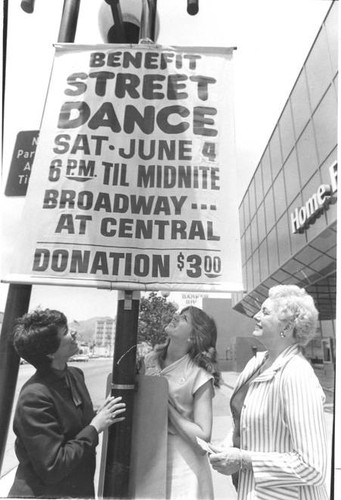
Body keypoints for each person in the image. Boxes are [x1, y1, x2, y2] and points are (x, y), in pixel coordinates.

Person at [209, 285, 329, 500]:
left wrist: (244, 460)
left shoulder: (297, 374)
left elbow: (312, 467)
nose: (256, 316)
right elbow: (244, 419)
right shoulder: (256, 363)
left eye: (265, 312)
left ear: (288, 325)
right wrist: (228, 446)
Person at [8, 308, 126, 499]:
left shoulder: (75, 375)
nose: (73, 333)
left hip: (78, 490)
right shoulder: (34, 397)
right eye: (64, 332)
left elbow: (73, 423)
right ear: (49, 353)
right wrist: (95, 427)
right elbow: (53, 466)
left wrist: (98, 414)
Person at [142, 306, 221, 500]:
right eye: (178, 314)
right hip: (148, 456)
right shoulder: (148, 361)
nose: (175, 318)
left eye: (184, 318)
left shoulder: (199, 375)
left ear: (193, 337)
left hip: (183, 466)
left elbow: (203, 439)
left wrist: (162, 400)